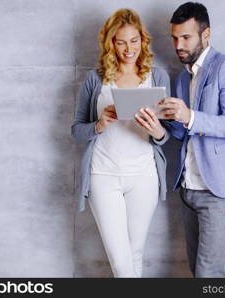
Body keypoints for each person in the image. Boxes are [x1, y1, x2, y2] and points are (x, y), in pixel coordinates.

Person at [158, 2, 225, 277]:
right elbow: (183, 133)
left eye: (186, 37)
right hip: (188, 187)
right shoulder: (181, 78)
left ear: (206, 34)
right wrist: (161, 125)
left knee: (208, 273)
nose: (179, 45)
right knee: (197, 271)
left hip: (219, 189)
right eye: (175, 38)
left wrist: (189, 115)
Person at [71, 8, 170, 277]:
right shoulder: (96, 79)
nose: (129, 49)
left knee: (135, 256)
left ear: (143, 40)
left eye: (134, 41)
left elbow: (166, 134)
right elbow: (77, 131)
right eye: (121, 41)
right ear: (110, 43)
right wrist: (99, 124)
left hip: (143, 176)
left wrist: (157, 130)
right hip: (104, 175)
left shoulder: (157, 76)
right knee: (121, 262)